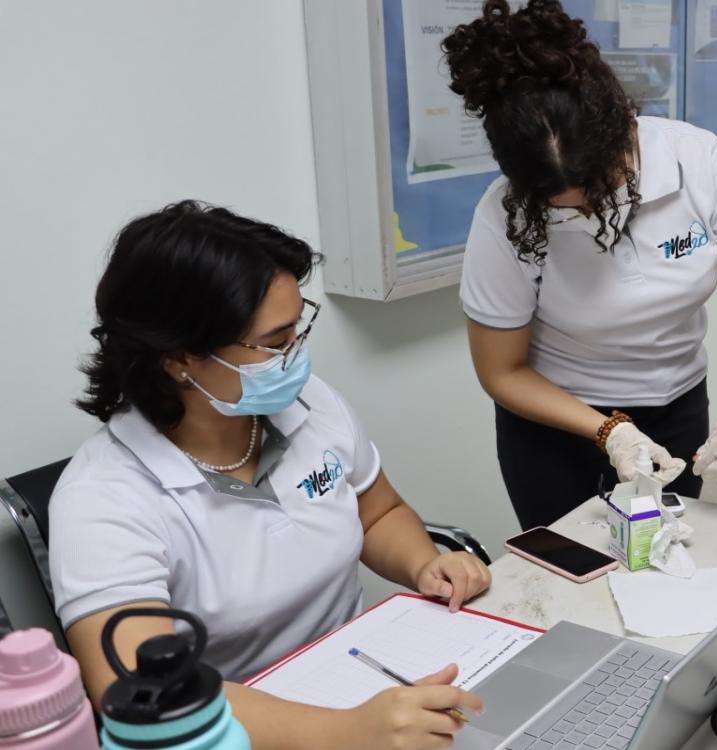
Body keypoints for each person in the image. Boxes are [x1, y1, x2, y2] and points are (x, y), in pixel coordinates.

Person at [50, 201, 490, 750]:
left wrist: (426, 563)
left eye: (296, 331)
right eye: (275, 344)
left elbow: (378, 512)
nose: (296, 358)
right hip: (244, 733)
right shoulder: (103, 500)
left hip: (366, 677)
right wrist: (349, 732)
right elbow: (149, 696)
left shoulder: (309, 404)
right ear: (179, 358)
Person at [443, 0, 717, 530]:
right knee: (570, 576)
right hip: (556, 424)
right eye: (566, 206)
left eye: (599, 190)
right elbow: (502, 371)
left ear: (623, 129)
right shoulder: (504, 218)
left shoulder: (698, 162)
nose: (591, 212)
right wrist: (608, 430)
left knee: (667, 558)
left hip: (678, 404)